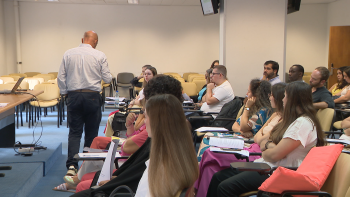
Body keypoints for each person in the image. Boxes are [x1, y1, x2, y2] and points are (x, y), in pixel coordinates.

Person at [69, 74, 184, 196]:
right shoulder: (176, 133)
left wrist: (115, 181)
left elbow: (136, 180)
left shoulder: (161, 142)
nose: (144, 115)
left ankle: (75, 180)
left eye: (147, 111)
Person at [206, 81, 326, 197]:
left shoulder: (302, 123)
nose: (283, 99)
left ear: (293, 100)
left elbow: (273, 154)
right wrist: (271, 146)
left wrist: (269, 146)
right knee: (218, 177)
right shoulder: (292, 119)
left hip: (277, 172)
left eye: (285, 96)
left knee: (225, 187)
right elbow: (267, 144)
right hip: (268, 166)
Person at [194, 83, 286, 197]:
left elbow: (248, 131)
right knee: (210, 166)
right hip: (250, 143)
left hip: (254, 151)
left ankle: (197, 189)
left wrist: (247, 108)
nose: (246, 94)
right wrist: (256, 135)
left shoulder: (265, 112)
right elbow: (236, 126)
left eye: (249, 92)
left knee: (209, 152)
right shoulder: (275, 114)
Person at [57, 31, 112, 175]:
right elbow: (107, 79)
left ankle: (72, 166)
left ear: (82, 39)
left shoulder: (68, 53)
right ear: (95, 42)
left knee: (74, 132)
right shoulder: (100, 55)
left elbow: (61, 77)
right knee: (91, 132)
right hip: (92, 96)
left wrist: (65, 93)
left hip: (74, 96)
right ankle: (87, 167)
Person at [134, 94, 199, 196]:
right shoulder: (183, 158)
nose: (144, 122)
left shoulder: (161, 169)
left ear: (157, 122)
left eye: (146, 117)